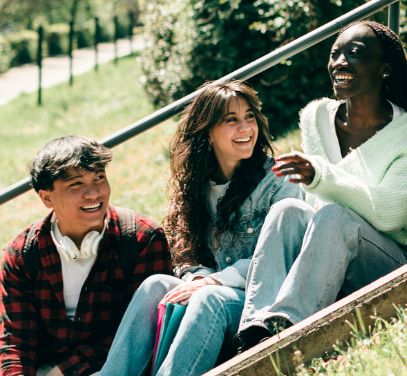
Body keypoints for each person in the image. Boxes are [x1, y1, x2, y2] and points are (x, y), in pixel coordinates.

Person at [233, 21, 407, 350]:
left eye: (355, 53)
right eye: (335, 54)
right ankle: (255, 330)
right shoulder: (316, 117)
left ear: (385, 69)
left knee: (335, 216)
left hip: (394, 259)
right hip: (330, 257)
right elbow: (316, 207)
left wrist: (321, 176)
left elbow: (389, 215)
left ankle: (290, 329)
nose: (340, 62)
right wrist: (318, 183)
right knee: (286, 209)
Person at [99, 81, 300, 376]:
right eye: (231, 120)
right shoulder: (196, 186)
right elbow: (187, 255)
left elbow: (284, 255)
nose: (245, 128)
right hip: (213, 292)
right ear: (207, 132)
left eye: (249, 117)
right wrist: (199, 277)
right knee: (157, 285)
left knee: (208, 297)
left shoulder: (280, 180)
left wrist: (214, 282)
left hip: (259, 303)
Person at [0, 136, 172, 376]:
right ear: (47, 198)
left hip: (116, 367)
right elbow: (16, 342)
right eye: (75, 184)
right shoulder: (21, 255)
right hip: (44, 369)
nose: (93, 193)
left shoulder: (143, 239)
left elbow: (140, 332)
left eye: (99, 178)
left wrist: (63, 372)